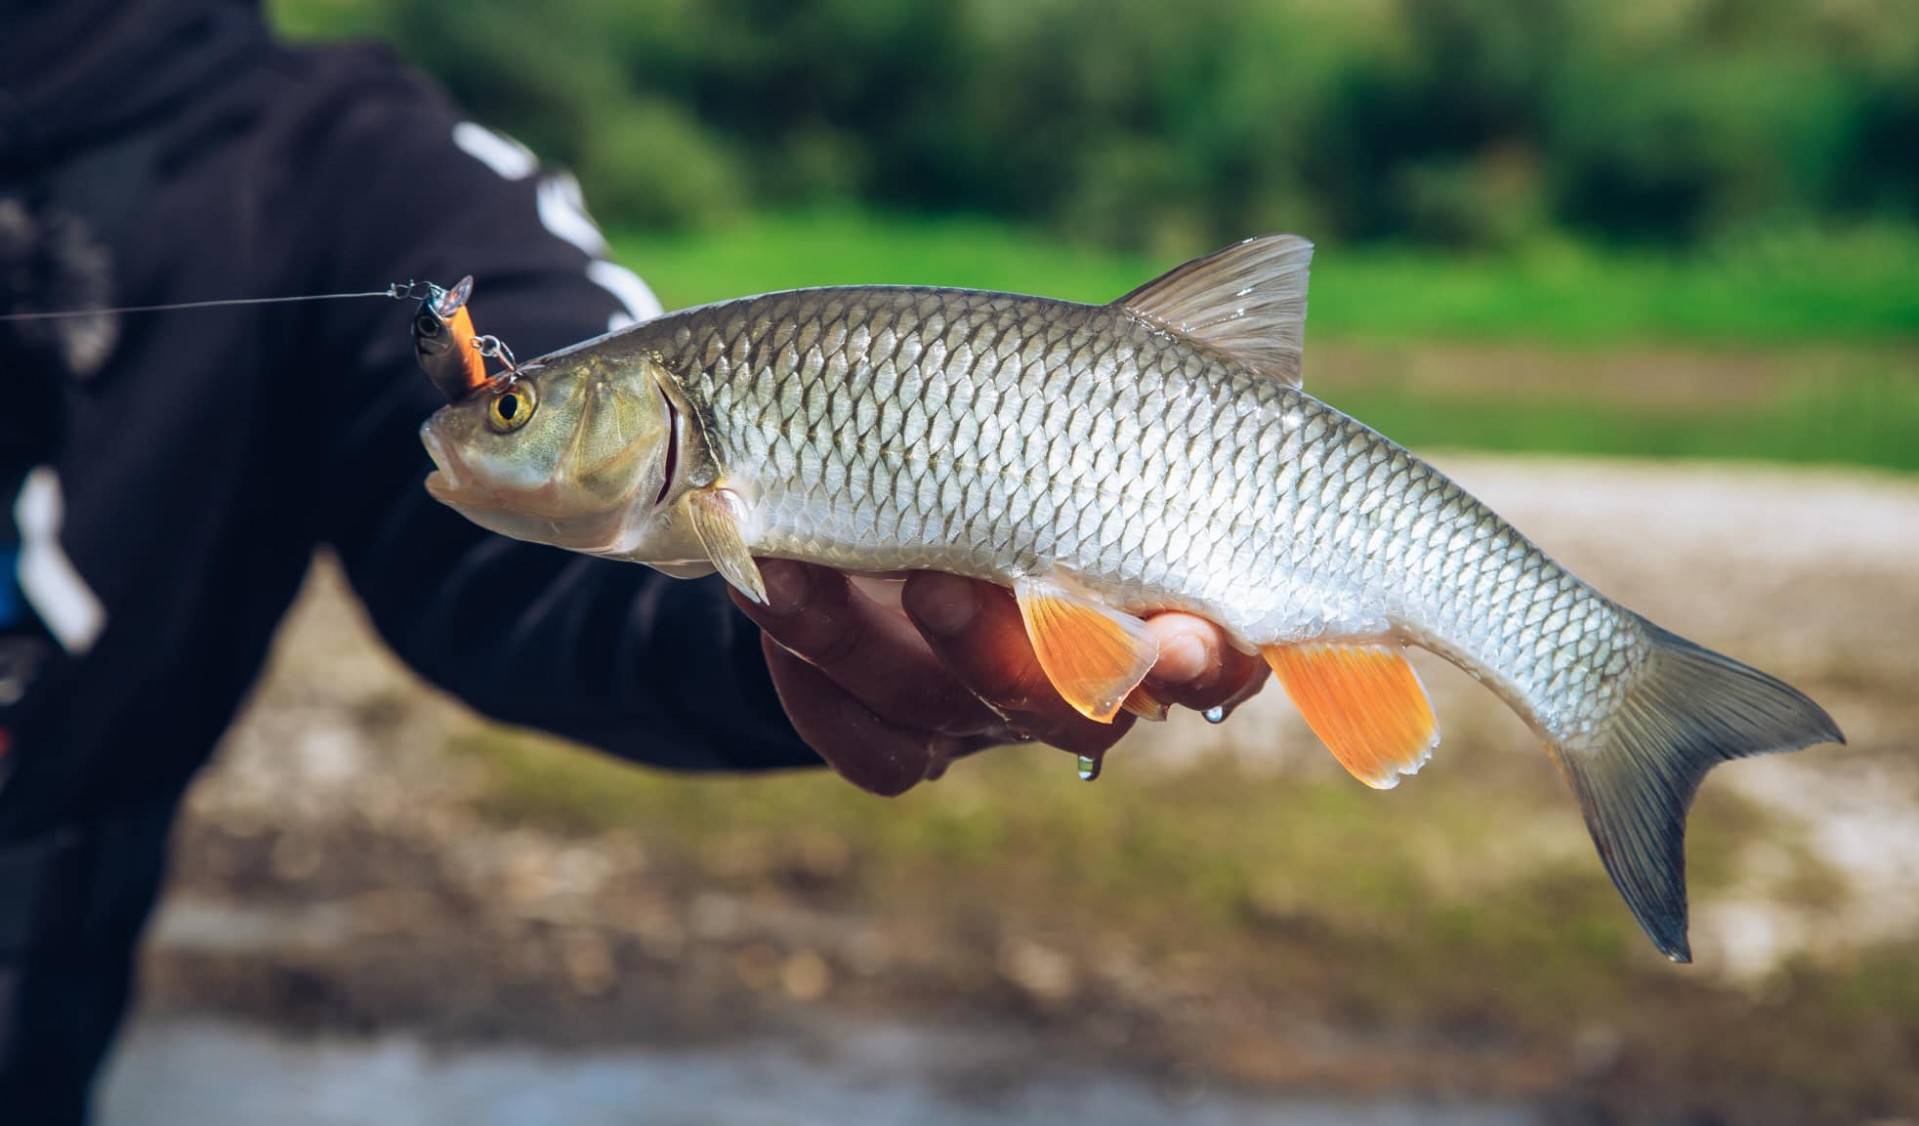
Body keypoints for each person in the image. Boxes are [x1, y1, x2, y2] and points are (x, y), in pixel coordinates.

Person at [0, 2, 1264, 1120]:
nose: (477, 424)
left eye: (499, 412)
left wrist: (810, 628)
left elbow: (546, 571)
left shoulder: (334, 162)